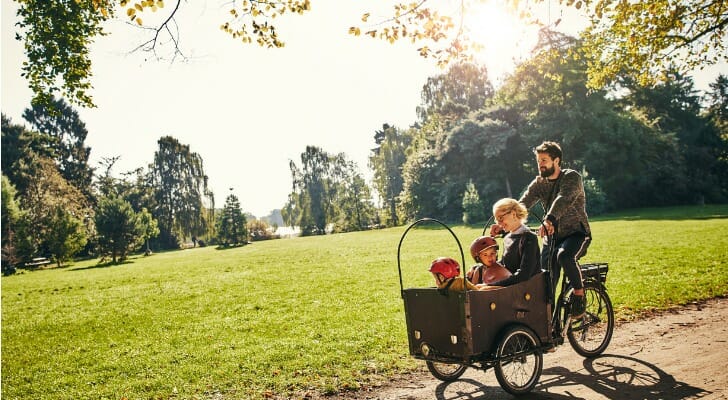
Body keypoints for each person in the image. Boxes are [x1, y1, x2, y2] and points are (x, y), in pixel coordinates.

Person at [498, 141, 591, 318]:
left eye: (544, 160)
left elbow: (564, 198)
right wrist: (503, 221)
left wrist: (549, 219)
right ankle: (549, 326)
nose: (540, 164)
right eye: (538, 160)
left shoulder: (571, 177)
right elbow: (521, 205)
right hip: (552, 238)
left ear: (556, 161)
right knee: (544, 283)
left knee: (563, 256)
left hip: (576, 233)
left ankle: (579, 294)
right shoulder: (539, 183)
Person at [482, 198, 541, 288]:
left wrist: (492, 286)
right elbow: (505, 265)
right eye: (497, 220)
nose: (499, 223)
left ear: (513, 214)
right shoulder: (507, 238)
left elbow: (524, 274)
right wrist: (481, 268)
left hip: (526, 290)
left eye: (501, 218)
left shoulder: (529, 238)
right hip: (511, 287)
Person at [429, 257, 498, 291]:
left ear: (441, 277)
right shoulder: (460, 282)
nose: (436, 282)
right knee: (482, 289)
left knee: (481, 287)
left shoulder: (441, 290)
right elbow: (476, 292)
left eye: (435, 278)